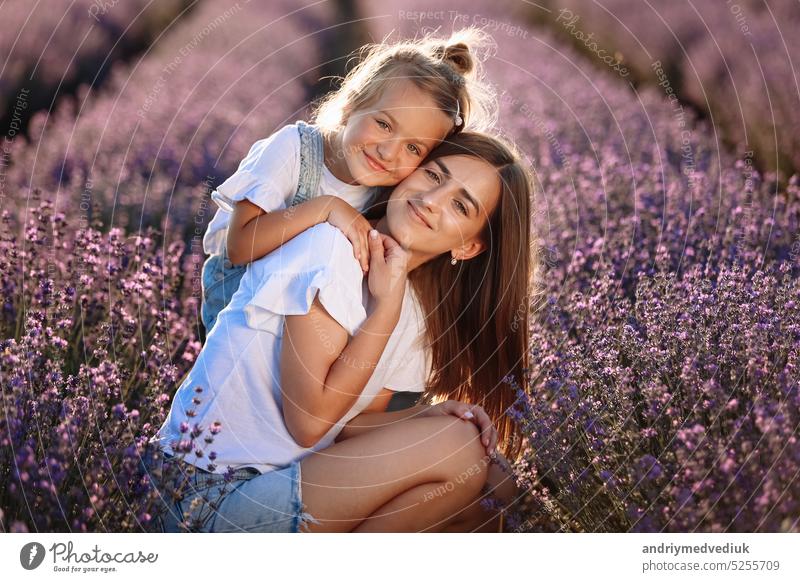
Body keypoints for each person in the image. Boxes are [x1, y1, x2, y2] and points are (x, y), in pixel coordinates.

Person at [147, 131, 534, 532]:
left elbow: (348, 425)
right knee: (456, 451)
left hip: (276, 486)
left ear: (469, 247)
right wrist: (384, 310)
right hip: (202, 491)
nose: (431, 201)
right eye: (434, 176)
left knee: (496, 485)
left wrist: (427, 416)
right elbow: (310, 422)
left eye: (459, 204)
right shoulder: (331, 249)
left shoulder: (420, 315)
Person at [200, 27, 497, 335]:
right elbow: (240, 247)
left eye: (413, 148)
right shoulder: (293, 150)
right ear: (352, 103)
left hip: (297, 326)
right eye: (383, 124)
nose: (387, 151)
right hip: (235, 318)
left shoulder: (389, 192)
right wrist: (326, 208)